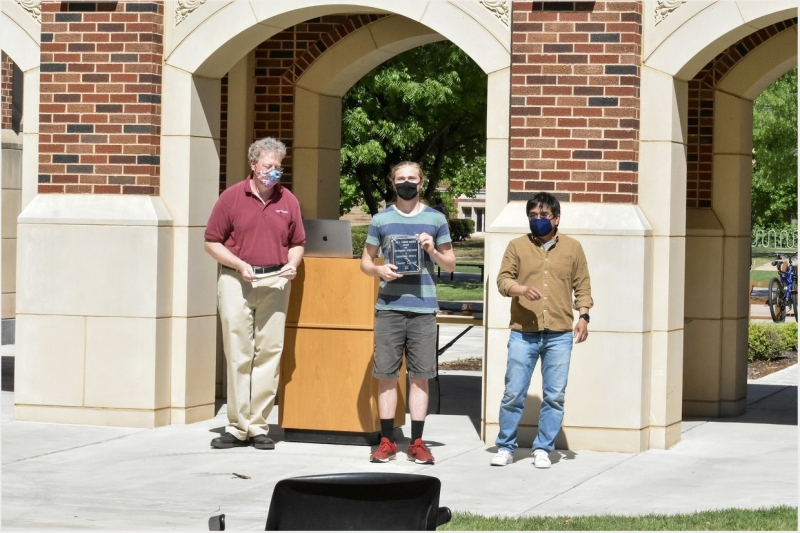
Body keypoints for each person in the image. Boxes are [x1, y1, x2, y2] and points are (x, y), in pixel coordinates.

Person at [204, 137, 305, 450]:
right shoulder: (232, 197)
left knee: (269, 353)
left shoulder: (288, 200)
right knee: (239, 354)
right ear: (253, 164)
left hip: (275, 281)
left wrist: (293, 264)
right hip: (237, 280)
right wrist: (238, 264)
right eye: (267, 166)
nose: (273, 172)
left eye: (278, 167)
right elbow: (211, 241)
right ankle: (237, 426)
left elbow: (297, 242)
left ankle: (258, 425)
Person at [360, 161, 456, 464]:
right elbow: (365, 262)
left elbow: (450, 264)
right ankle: (387, 440)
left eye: (411, 178)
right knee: (386, 376)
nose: (406, 183)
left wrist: (432, 251)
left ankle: (417, 441)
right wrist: (379, 269)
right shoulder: (380, 220)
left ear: (421, 182)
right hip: (388, 307)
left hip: (423, 308)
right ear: (392, 183)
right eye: (400, 178)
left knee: (420, 376)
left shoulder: (436, 219)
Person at [491, 192, 592, 468]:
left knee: (554, 396)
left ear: (556, 218)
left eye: (543, 215)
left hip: (559, 334)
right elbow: (502, 281)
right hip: (523, 332)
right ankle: (505, 447)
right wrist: (519, 288)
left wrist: (584, 316)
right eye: (532, 215)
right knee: (513, 393)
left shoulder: (573, 248)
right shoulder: (516, 246)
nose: (537, 220)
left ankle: (543, 448)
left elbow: (582, 286)